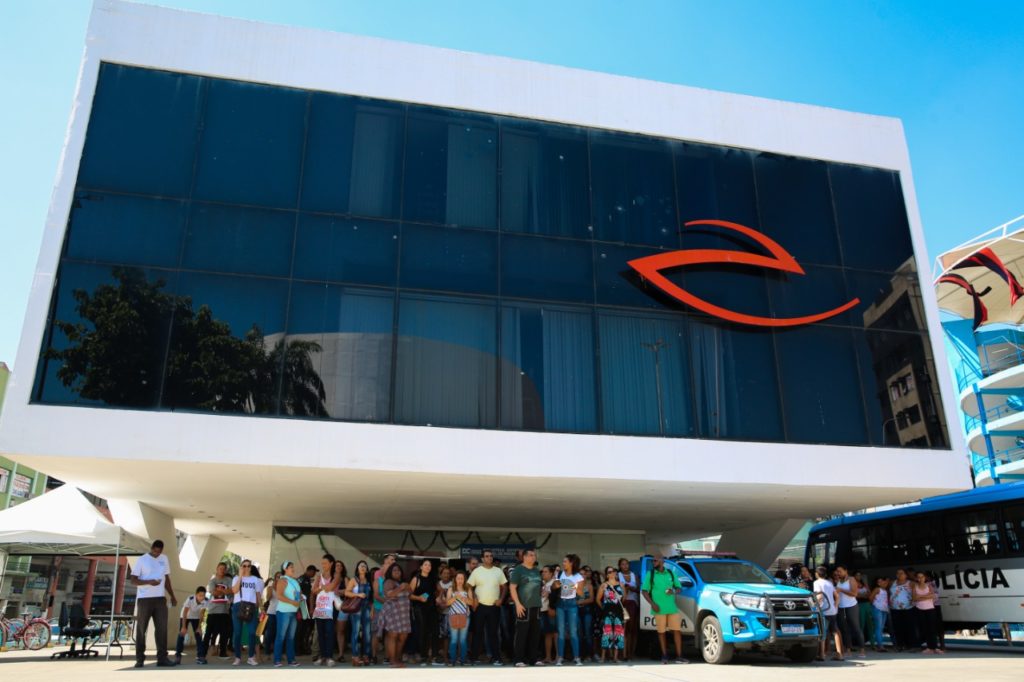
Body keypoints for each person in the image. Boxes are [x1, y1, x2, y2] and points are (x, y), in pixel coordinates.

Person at [130, 539, 178, 668]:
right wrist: (149, 582)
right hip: (144, 599)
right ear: (151, 548)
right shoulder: (142, 560)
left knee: (162, 629)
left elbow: (166, 579)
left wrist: (172, 596)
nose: (157, 554)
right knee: (141, 629)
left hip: (160, 599)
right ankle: (139, 659)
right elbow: (133, 580)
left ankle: (162, 658)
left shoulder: (164, 559)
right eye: (155, 551)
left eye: (159, 552)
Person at [641, 552, 687, 665]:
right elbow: (644, 591)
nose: (653, 562)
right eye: (653, 561)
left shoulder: (670, 573)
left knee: (677, 631)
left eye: (655, 560)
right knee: (661, 632)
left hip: (672, 608)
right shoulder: (651, 574)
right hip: (659, 608)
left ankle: (679, 656)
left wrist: (673, 591)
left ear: (662, 561)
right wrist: (652, 604)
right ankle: (664, 656)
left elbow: (679, 588)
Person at [467, 550, 508, 665]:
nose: (489, 558)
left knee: (493, 633)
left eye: (491, 556)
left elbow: (505, 587)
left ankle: (496, 658)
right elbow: (469, 586)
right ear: (482, 559)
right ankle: (474, 658)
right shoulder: (477, 571)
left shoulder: (498, 571)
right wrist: (474, 598)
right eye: (487, 556)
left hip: (494, 607)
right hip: (480, 606)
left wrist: (501, 599)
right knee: (477, 633)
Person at [509, 548, 543, 667]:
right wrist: (517, 604)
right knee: (521, 634)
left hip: (536, 606)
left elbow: (538, 586)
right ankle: (518, 659)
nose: (534, 557)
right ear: (524, 557)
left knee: (535, 634)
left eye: (534, 555)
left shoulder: (536, 570)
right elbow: (512, 587)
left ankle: (533, 659)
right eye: (531, 555)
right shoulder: (518, 570)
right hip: (523, 607)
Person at [231, 560, 264, 666]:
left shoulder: (255, 579)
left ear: (251, 567)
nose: (246, 568)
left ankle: (251, 657)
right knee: (237, 633)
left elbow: (258, 595)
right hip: (238, 606)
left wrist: (262, 608)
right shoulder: (236, 578)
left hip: (251, 607)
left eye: (249, 566)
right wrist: (240, 576)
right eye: (244, 566)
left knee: (252, 632)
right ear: (241, 567)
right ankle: (237, 657)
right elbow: (235, 591)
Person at [553, 553, 585, 666]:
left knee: (573, 632)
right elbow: (554, 587)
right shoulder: (560, 573)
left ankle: (577, 657)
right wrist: (556, 583)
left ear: (571, 563)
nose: (563, 563)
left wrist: (571, 585)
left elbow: (581, 593)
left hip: (572, 604)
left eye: (565, 561)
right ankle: (560, 657)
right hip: (560, 604)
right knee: (560, 631)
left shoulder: (578, 577)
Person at [409, 559, 441, 665]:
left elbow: (440, 590)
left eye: (429, 565)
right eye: (426, 565)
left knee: (435, 632)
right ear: (421, 567)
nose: (428, 567)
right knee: (423, 632)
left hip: (432, 608)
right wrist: (419, 598)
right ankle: (424, 657)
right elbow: (408, 595)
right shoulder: (416, 579)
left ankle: (435, 657)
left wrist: (439, 597)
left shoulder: (433, 579)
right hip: (420, 609)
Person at [311, 554, 341, 666]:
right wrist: (322, 588)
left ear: (331, 563)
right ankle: (322, 656)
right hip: (320, 607)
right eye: (322, 563)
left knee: (329, 632)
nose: (323, 565)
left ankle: (329, 657)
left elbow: (331, 588)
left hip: (330, 608)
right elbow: (313, 590)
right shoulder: (319, 576)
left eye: (325, 563)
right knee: (321, 633)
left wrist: (320, 588)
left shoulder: (336, 575)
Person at [273, 561, 303, 668]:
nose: (293, 568)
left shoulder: (294, 581)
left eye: (293, 566)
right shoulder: (282, 580)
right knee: (280, 637)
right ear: (285, 569)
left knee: (291, 637)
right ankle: (277, 660)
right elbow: (279, 596)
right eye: (290, 567)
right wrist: (293, 602)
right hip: (283, 612)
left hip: (293, 612)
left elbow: (297, 594)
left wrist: (301, 598)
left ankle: (291, 660)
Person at [382, 563, 413, 667]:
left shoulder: (403, 582)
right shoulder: (388, 582)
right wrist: (401, 588)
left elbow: (410, 593)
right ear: (390, 572)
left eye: (398, 570)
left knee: (403, 636)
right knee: (393, 635)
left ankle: (397, 658)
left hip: (404, 613)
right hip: (393, 612)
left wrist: (407, 587)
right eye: (394, 570)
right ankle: (392, 661)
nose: (397, 572)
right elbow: (389, 594)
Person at [345, 560, 373, 666]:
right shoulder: (354, 579)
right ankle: (355, 656)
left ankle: (366, 655)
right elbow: (347, 592)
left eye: (365, 566)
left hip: (367, 608)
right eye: (361, 566)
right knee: (355, 632)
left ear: (367, 569)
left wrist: (372, 610)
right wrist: (357, 595)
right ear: (357, 568)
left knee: (367, 633)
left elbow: (372, 598)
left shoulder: (369, 581)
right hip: (356, 608)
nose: (363, 567)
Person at [834, 566, 866, 658]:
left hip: (852, 606)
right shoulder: (839, 581)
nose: (838, 573)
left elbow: (854, 594)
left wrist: (841, 590)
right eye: (837, 571)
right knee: (844, 629)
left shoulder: (851, 579)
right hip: (841, 607)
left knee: (856, 628)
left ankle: (862, 650)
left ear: (846, 571)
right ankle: (848, 650)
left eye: (840, 571)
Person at [203, 562, 233, 660]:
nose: (222, 570)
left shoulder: (229, 580)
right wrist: (225, 590)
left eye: (224, 569)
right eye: (220, 568)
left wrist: (220, 590)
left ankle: (222, 653)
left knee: (224, 633)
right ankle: (202, 653)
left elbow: (232, 590)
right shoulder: (212, 581)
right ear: (217, 569)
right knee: (208, 633)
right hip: (212, 611)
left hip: (225, 611)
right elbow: (213, 592)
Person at [813, 565, 843, 661]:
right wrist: (835, 606)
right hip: (832, 610)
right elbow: (837, 596)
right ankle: (839, 654)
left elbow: (819, 596)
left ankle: (822, 654)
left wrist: (815, 606)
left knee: (823, 632)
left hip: (824, 610)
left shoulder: (816, 583)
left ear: (816, 574)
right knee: (835, 631)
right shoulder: (829, 583)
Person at [446, 570, 474, 666]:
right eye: (458, 578)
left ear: (464, 580)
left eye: (462, 578)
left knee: (463, 640)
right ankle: (452, 660)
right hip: (453, 616)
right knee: (454, 639)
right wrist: (455, 597)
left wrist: (464, 599)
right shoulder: (451, 589)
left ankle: (463, 660)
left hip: (465, 616)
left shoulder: (468, 589)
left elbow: (472, 602)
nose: (460, 580)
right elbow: (447, 603)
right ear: (455, 579)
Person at [597, 567, 625, 663]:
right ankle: (603, 657)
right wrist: (604, 608)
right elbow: (598, 599)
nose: (612, 573)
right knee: (606, 633)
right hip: (607, 612)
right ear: (607, 574)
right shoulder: (604, 585)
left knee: (618, 633)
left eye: (613, 571)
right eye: (609, 572)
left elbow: (624, 599)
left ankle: (615, 657)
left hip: (618, 611)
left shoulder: (621, 584)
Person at [372, 554, 397, 663]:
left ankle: (387, 657)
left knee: (388, 634)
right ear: (382, 567)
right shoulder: (377, 580)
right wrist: (387, 602)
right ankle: (374, 656)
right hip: (379, 609)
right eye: (386, 566)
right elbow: (376, 595)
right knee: (376, 633)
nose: (387, 568)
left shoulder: (392, 582)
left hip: (390, 611)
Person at [174, 586, 207, 665]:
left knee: (198, 635)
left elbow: (202, 614)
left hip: (196, 617)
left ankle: (200, 656)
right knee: (181, 634)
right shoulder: (190, 599)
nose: (201, 597)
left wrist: (199, 627)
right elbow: (185, 612)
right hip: (185, 616)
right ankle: (178, 656)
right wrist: (183, 627)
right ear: (196, 594)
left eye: (203, 595)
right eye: (200, 595)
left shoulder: (206, 601)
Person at [912, 571, 942, 654]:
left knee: (932, 628)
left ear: (924, 578)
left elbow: (933, 596)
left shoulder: (929, 585)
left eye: (922, 577)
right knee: (925, 629)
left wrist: (920, 596)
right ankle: (929, 647)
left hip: (930, 609)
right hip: (920, 609)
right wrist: (926, 596)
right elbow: (914, 598)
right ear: (916, 578)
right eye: (919, 577)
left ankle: (935, 647)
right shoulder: (915, 587)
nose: (920, 578)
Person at [616, 558, 638, 661]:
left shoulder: (634, 575)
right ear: (620, 566)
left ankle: (630, 652)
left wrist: (632, 588)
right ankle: (622, 653)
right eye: (623, 564)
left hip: (633, 602)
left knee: (631, 628)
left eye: (626, 564)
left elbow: (639, 589)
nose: (625, 566)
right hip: (622, 603)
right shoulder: (618, 576)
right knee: (622, 628)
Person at [888, 568, 914, 651]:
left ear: (906, 575)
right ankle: (900, 645)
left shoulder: (911, 583)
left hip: (908, 608)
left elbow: (915, 593)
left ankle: (910, 645)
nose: (899, 575)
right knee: (897, 627)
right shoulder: (892, 583)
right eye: (898, 573)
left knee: (909, 627)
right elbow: (888, 593)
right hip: (895, 608)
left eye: (901, 573)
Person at [577, 566, 596, 661]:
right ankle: (580, 655)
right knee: (579, 633)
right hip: (577, 611)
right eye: (580, 574)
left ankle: (589, 655)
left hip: (587, 611)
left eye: (584, 574)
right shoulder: (574, 586)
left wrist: (581, 602)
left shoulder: (589, 586)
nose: (582, 576)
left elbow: (592, 599)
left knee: (588, 632)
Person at [540, 565, 558, 664]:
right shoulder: (542, 583)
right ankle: (548, 657)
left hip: (551, 610)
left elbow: (558, 596)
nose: (543, 573)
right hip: (543, 610)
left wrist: (553, 608)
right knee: (547, 634)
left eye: (546, 571)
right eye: (542, 571)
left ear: (551, 573)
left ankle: (558, 656)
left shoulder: (555, 582)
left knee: (555, 633)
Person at [436, 564, 453, 665]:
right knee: (439, 636)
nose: (446, 575)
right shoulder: (437, 584)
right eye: (444, 573)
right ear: (440, 574)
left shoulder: (453, 584)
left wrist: (445, 604)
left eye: (448, 573)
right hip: (438, 613)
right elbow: (435, 598)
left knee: (447, 636)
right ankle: (439, 654)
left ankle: (447, 656)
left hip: (449, 613)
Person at [333, 561, 349, 662]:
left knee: (341, 630)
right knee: (329, 630)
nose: (339, 567)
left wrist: (339, 591)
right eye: (337, 565)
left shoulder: (345, 578)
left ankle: (341, 654)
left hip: (342, 606)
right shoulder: (329, 578)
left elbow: (348, 591)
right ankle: (327, 654)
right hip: (329, 606)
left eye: (340, 565)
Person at [869, 576, 890, 652]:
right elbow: (870, 598)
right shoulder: (877, 589)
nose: (881, 583)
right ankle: (880, 646)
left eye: (882, 581)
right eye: (879, 582)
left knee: (881, 627)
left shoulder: (885, 590)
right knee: (878, 627)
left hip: (884, 610)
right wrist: (875, 605)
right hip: (877, 609)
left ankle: (880, 645)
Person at [855, 571, 875, 649]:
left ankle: (873, 643)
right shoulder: (853, 584)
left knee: (870, 624)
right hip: (859, 605)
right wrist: (863, 595)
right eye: (857, 575)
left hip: (867, 604)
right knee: (861, 624)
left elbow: (869, 594)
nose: (859, 576)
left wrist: (863, 595)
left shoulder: (864, 584)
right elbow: (856, 595)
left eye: (860, 575)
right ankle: (861, 644)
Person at [262, 572, 279, 659]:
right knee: (270, 633)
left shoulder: (284, 587)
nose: (279, 578)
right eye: (278, 577)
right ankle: (267, 652)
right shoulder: (270, 587)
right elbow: (268, 598)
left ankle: (277, 653)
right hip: (272, 612)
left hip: (281, 612)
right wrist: (271, 588)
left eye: (281, 577)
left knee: (278, 633)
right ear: (275, 578)